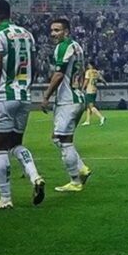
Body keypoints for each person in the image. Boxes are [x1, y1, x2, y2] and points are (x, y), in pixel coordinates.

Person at [0, 0, 44, 210]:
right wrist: (26, 87)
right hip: (24, 97)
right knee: (16, 144)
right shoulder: (27, 34)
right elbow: (35, 66)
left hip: (3, 97)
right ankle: (35, 177)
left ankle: (5, 198)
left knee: (0, 148)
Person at [40, 18, 93, 193]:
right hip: (77, 97)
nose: (53, 34)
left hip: (67, 100)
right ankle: (82, 168)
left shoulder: (63, 47)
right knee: (57, 138)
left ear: (67, 31)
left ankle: (75, 180)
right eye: (52, 30)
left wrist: (46, 96)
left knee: (64, 141)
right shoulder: (77, 46)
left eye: (57, 30)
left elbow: (59, 75)